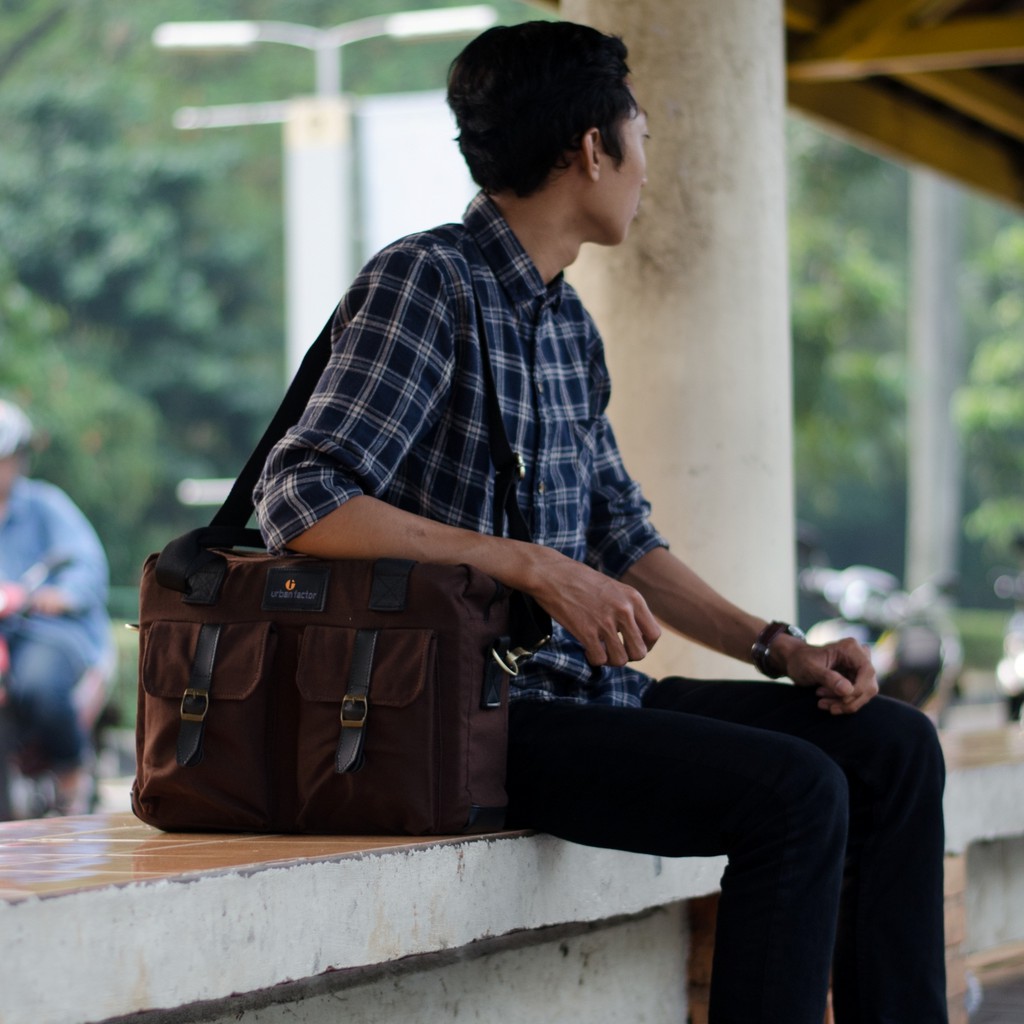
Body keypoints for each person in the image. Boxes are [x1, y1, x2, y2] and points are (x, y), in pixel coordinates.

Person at [255, 21, 947, 1024]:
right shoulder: (426, 284)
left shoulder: (566, 325)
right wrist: (529, 565)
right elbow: (301, 497)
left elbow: (623, 537)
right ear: (591, 148)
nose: (646, 166)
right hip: (477, 721)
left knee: (893, 747)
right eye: (643, 135)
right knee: (797, 794)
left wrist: (775, 645)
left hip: (589, 701)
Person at [0, 399, 112, 815]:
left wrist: (60, 595)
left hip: (44, 632)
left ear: (18, 460)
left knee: (40, 686)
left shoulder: (45, 506)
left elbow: (85, 564)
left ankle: (70, 772)